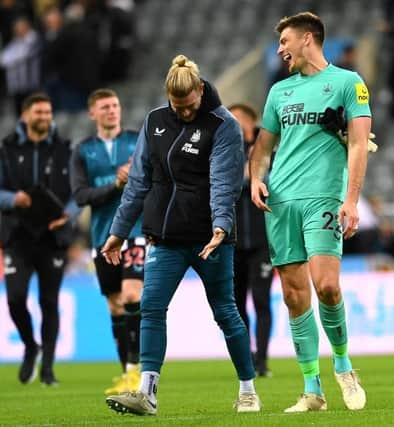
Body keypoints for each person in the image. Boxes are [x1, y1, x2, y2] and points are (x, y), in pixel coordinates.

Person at [102, 54, 260, 415]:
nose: (185, 112)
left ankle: (248, 390)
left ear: (200, 90)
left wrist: (222, 224)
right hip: (164, 237)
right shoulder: (155, 121)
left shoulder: (225, 125)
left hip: (210, 239)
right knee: (151, 309)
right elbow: (139, 181)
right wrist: (118, 232)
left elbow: (225, 182)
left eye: (189, 106)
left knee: (226, 313)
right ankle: (147, 394)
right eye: (177, 106)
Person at [249, 12, 369, 412]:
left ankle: (343, 366)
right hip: (281, 201)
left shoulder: (349, 83)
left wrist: (350, 200)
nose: (280, 49)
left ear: (307, 39)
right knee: (293, 294)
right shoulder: (278, 92)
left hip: (323, 198)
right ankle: (311, 388)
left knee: (327, 285)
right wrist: (255, 179)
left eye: (285, 41)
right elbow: (262, 147)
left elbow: (359, 144)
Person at [0, 92, 78, 386]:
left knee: (49, 301)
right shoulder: (6, 151)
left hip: (52, 236)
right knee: (15, 298)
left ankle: (48, 368)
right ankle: (29, 344)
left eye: (48, 112)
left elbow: (78, 191)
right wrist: (14, 199)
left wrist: (69, 214)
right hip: (17, 236)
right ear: (25, 115)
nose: (45, 117)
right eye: (38, 113)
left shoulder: (65, 149)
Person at [70, 88, 144, 394]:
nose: (112, 111)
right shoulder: (82, 151)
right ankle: (126, 373)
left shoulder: (136, 141)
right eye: (105, 107)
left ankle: (139, 371)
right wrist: (115, 184)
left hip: (135, 232)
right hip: (102, 237)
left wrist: (135, 179)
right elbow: (80, 196)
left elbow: (153, 179)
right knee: (114, 305)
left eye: (115, 105)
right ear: (92, 113)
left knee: (130, 296)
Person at [228, 103, 274, 377]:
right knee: (236, 304)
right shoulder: (223, 150)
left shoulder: (266, 149)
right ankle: (246, 358)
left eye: (236, 120)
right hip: (232, 242)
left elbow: (266, 180)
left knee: (261, 301)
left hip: (262, 240)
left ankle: (263, 360)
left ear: (249, 122)